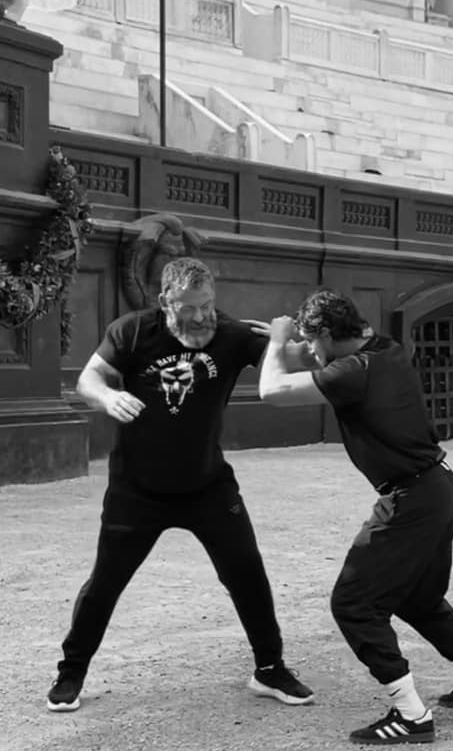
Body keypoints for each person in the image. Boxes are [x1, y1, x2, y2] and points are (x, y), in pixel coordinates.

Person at [47, 257, 314, 712]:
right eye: (189, 307)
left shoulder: (230, 334)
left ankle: (269, 669)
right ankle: (71, 672)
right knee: (105, 583)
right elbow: (88, 379)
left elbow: (285, 362)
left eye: (207, 303)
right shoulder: (133, 330)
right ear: (165, 300)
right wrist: (109, 396)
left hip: (207, 486)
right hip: (136, 489)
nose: (200, 315)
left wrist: (291, 340)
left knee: (247, 574)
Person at [258, 288, 453, 744]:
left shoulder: (353, 373)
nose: (312, 352)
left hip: (411, 498)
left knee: (353, 603)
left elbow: (272, 391)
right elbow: (315, 360)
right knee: (417, 597)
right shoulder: (384, 349)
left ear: (330, 335)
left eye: (315, 343)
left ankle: (411, 715)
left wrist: (277, 345)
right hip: (437, 486)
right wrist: (281, 343)